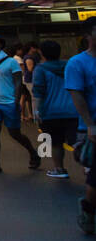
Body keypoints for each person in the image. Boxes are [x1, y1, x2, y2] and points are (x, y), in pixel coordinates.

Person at [0, 34, 40, 174]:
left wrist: (16, 101)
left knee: (14, 133)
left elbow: (18, 82)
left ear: (1, 44)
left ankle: (32, 152)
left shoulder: (11, 62)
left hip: (9, 101)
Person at [64, 20, 96, 234]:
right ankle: (88, 209)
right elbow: (77, 95)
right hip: (93, 128)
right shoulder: (77, 63)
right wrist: (90, 125)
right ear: (88, 35)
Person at [32, 40, 76, 179]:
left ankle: (59, 169)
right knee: (77, 142)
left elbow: (38, 91)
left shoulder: (40, 69)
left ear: (42, 53)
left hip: (50, 112)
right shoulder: (70, 65)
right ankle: (88, 168)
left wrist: (36, 110)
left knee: (56, 143)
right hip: (72, 110)